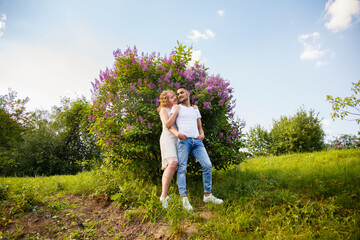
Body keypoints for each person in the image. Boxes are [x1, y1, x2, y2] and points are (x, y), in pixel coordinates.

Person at [170, 86, 223, 211]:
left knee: (207, 165)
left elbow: (200, 126)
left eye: (182, 92)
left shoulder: (195, 110)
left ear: (188, 93)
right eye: (178, 94)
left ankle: (208, 195)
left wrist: (202, 134)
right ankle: (184, 198)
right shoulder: (176, 107)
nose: (179, 95)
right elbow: (170, 125)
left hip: (197, 141)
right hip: (184, 141)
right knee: (182, 168)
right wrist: (178, 135)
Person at [157, 90, 180, 208]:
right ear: (166, 101)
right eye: (171, 97)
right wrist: (175, 112)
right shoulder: (163, 110)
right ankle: (163, 196)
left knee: (172, 166)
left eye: (174, 96)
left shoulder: (176, 108)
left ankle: (166, 195)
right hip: (167, 138)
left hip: (177, 139)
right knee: (172, 163)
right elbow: (167, 124)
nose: (174, 98)